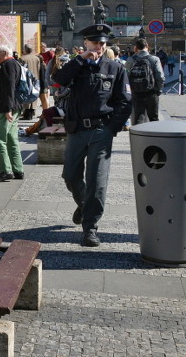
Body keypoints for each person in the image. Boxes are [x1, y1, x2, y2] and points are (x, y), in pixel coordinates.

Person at [52, 24, 131, 247]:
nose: (99, 47)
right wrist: (80, 59)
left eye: (103, 43)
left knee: (97, 181)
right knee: (70, 176)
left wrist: (111, 128)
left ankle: (90, 227)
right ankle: (84, 204)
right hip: (77, 129)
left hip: (100, 130)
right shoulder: (76, 65)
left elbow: (125, 102)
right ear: (85, 43)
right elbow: (59, 79)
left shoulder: (115, 68)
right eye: (95, 42)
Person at [0, 46, 24, 181]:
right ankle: (18, 169)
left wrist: (7, 109)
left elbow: (9, 87)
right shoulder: (14, 63)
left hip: (5, 108)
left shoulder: (8, 65)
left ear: (4, 53)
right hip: (13, 106)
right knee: (11, 138)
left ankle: (5, 171)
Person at [125, 38, 165, 125]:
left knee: (138, 118)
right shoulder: (154, 59)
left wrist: (129, 91)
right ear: (147, 46)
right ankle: (153, 137)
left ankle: (139, 137)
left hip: (136, 92)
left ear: (136, 48)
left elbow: (126, 76)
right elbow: (160, 76)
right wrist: (158, 90)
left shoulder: (130, 60)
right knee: (153, 118)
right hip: (151, 92)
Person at [20, 44, 44, 119]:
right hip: (35, 79)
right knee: (34, 94)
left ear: (25, 50)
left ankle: (26, 113)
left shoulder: (22, 58)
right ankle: (32, 111)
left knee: (26, 95)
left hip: (26, 79)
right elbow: (39, 69)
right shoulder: (36, 58)